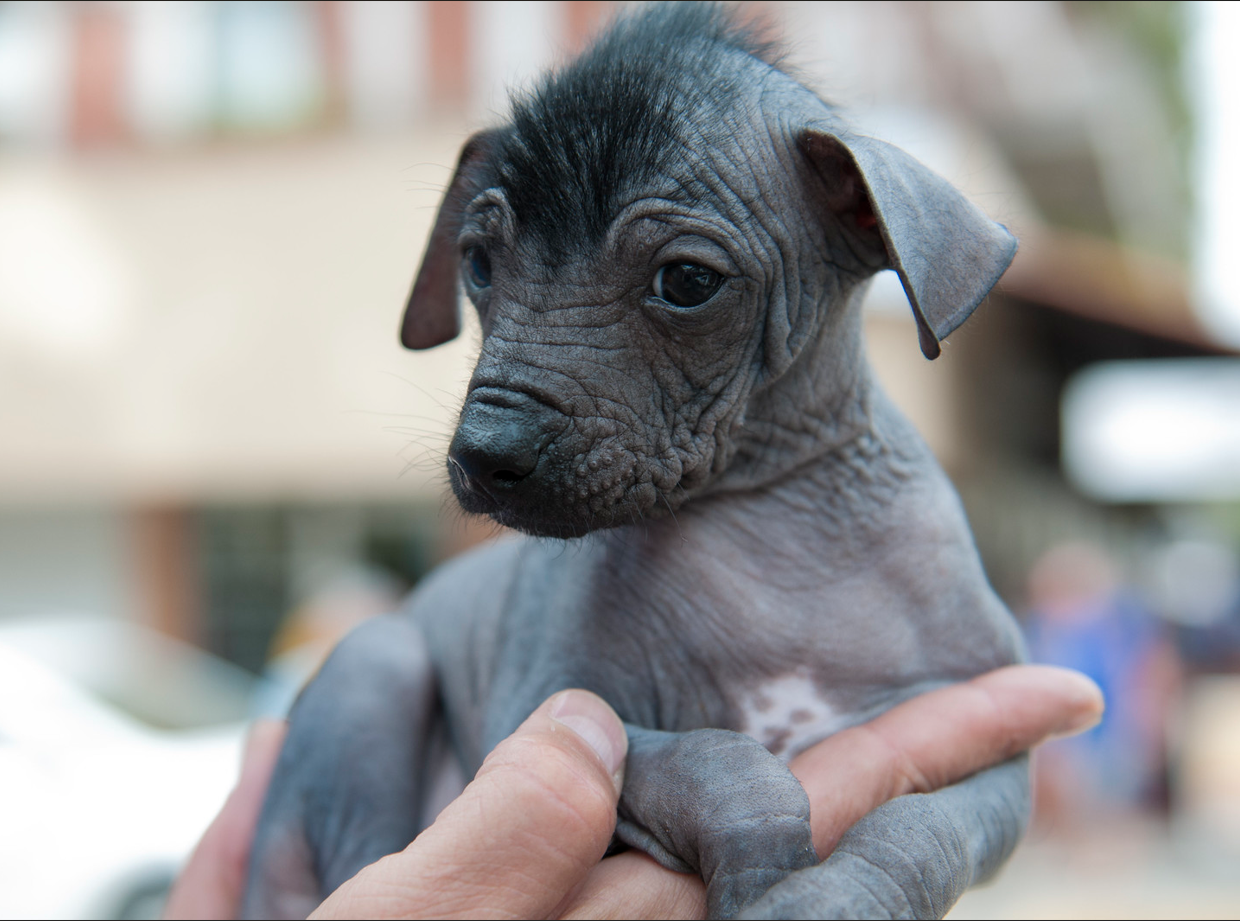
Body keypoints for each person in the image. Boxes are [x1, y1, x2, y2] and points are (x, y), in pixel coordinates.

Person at [165, 665, 1102, 920]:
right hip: (401, 848)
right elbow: (518, 726)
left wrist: (897, 873)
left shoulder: (916, 543)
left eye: (684, 286)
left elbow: (988, 771)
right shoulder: (595, 548)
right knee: (373, 659)